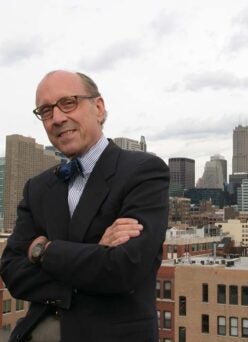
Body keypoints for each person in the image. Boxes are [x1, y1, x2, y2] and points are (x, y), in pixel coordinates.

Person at [0, 70, 169, 342]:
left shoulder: (143, 171)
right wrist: (93, 257)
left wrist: (44, 252)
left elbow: (124, 269)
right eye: (45, 111)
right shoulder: (38, 187)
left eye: (68, 103)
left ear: (99, 107)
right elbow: (12, 272)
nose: (57, 118)